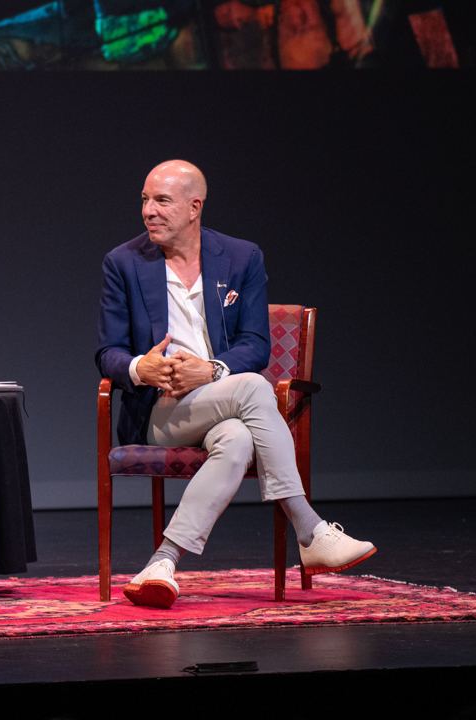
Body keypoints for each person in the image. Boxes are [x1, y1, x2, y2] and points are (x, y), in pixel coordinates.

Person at [95, 160, 375, 608]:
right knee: (253, 388)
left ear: (194, 207)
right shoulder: (123, 263)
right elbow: (108, 352)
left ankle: (162, 563)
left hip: (220, 398)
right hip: (161, 409)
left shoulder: (242, 257)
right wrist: (138, 369)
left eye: (161, 201)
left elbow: (255, 344)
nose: (149, 210)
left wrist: (210, 370)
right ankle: (309, 529)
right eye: (145, 200)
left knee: (239, 437)